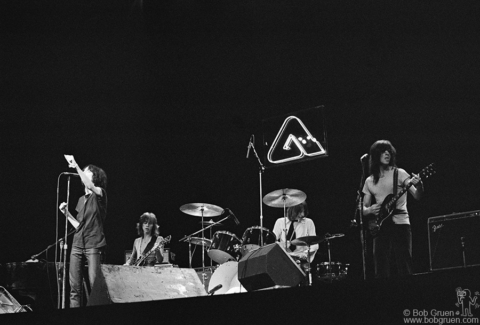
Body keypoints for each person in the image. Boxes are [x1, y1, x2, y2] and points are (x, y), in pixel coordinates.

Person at [362, 140, 423, 278]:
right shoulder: (369, 181)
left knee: (404, 264)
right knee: (381, 266)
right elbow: (363, 208)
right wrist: (370, 210)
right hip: (381, 226)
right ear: (376, 155)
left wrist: (419, 185)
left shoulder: (399, 173)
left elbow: (417, 195)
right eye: (383, 151)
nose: (387, 153)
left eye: (389, 151)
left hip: (400, 223)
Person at [59, 157, 107, 308]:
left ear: (94, 177)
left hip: (93, 244)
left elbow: (90, 185)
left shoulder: (100, 194)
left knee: (94, 287)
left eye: (87, 172)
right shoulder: (81, 199)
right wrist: (66, 213)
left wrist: (77, 167)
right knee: (74, 289)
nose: (83, 174)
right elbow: (78, 225)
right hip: (77, 244)